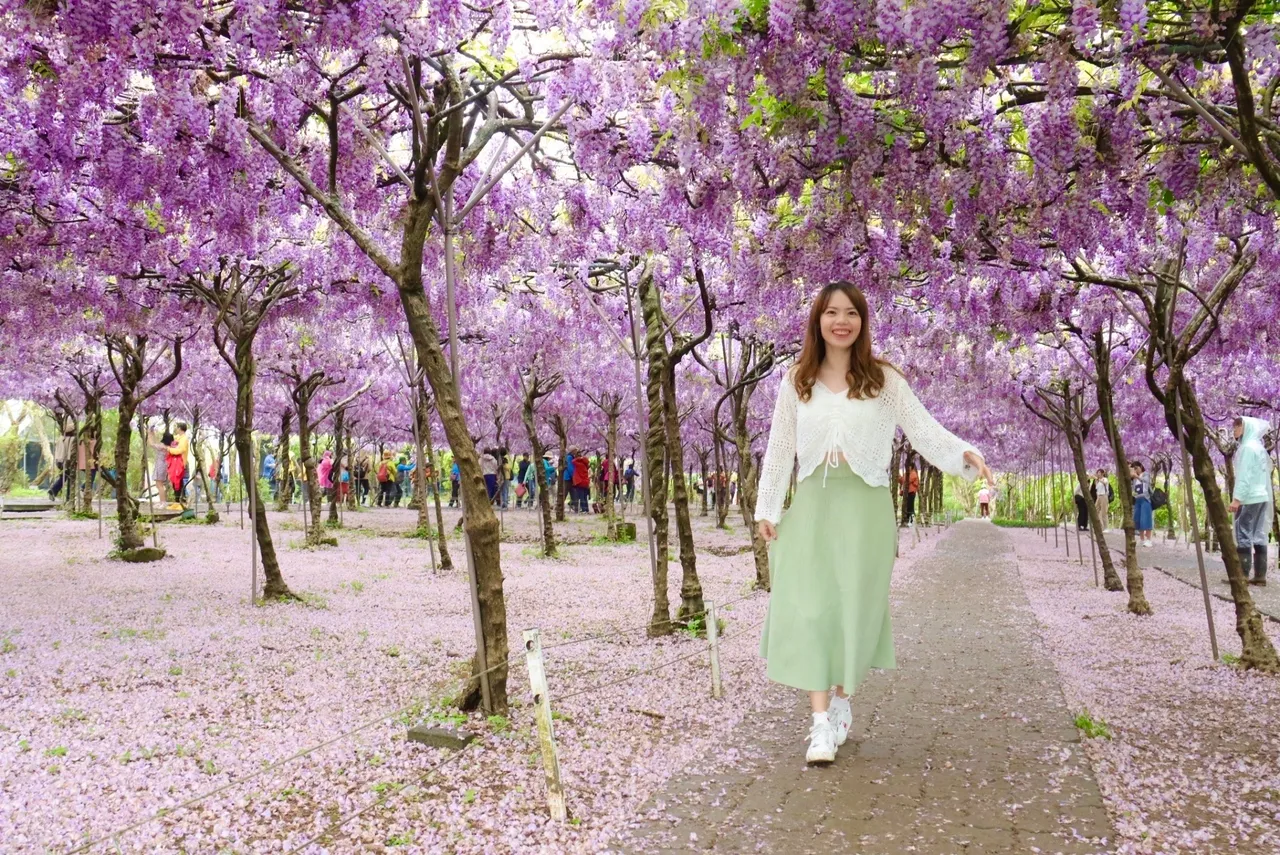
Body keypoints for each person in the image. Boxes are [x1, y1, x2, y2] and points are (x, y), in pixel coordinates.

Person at [754, 281, 992, 766]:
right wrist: (768, 508)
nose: (841, 321)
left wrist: (963, 455)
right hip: (814, 506)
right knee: (811, 609)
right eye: (831, 312)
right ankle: (819, 725)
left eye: (851, 313)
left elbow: (923, 430)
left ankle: (842, 699)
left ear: (862, 322)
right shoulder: (795, 381)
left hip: (866, 509)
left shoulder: (884, 381)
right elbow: (779, 449)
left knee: (852, 608)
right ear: (817, 321)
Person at [1231, 416, 1274, 586]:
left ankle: (1242, 576)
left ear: (1246, 428)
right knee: (1258, 534)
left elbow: (1244, 476)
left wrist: (1237, 500)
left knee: (1243, 534)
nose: (1234, 429)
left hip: (1249, 498)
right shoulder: (1258, 447)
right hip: (1261, 496)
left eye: (1238, 426)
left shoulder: (1248, 448)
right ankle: (1260, 576)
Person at [1131, 461, 1154, 547]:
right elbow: (1134, 489)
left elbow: (1146, 482)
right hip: (1137, 499)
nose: (1136, 470)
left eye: (1136, 468)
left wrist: (1137, 476)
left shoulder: (1145, 474)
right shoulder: (1134, 479)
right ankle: (1142, 539)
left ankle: (1148, 540)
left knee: (1146, 519)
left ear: (1140, 466)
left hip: (1145, 499)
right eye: (1134, 469)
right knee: (1138, 519)